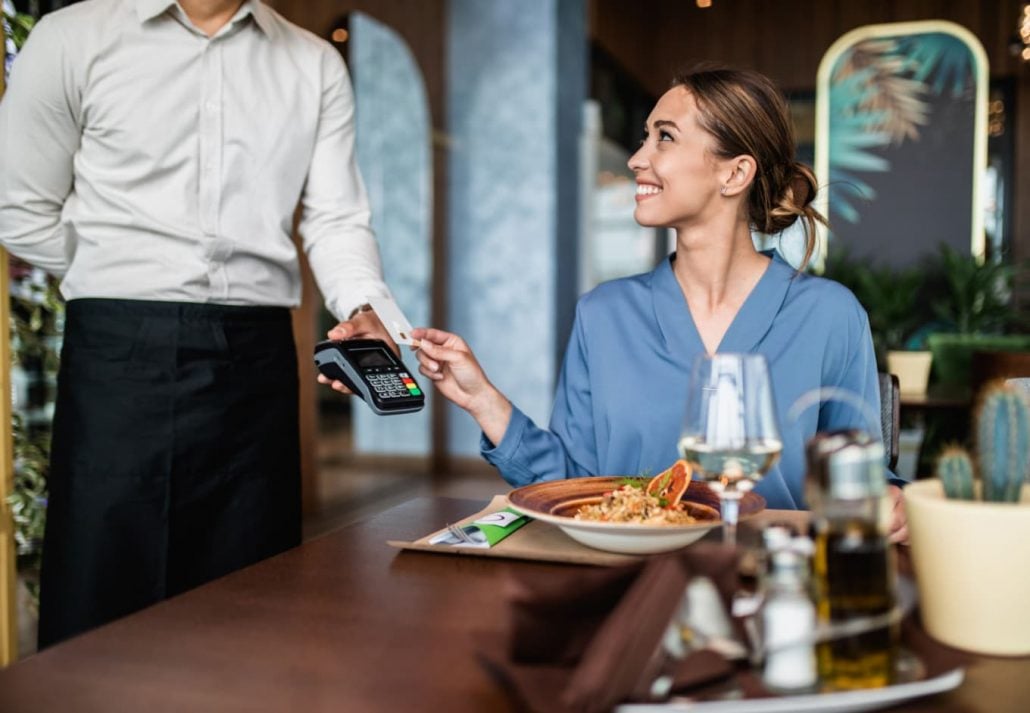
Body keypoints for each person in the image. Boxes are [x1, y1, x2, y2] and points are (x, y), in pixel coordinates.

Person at [0, 0, 398, 647]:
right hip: (116, 354)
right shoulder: (72, 37)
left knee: (250, 604)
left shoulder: (313, 62)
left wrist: (361, 305)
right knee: (105, 601)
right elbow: (21, 208)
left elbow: (334, 218)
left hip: (257, 357)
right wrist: (125, 273)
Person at [412, 67, 909, 543]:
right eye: (645, 136)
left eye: (664, 137)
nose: (636, 158)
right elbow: (578, 487)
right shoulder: (602, 315)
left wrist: (892, 503)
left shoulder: (831, 316)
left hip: (772, 586)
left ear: (735, 173)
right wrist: (484, 401)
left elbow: (862, 483)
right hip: (625, 585)